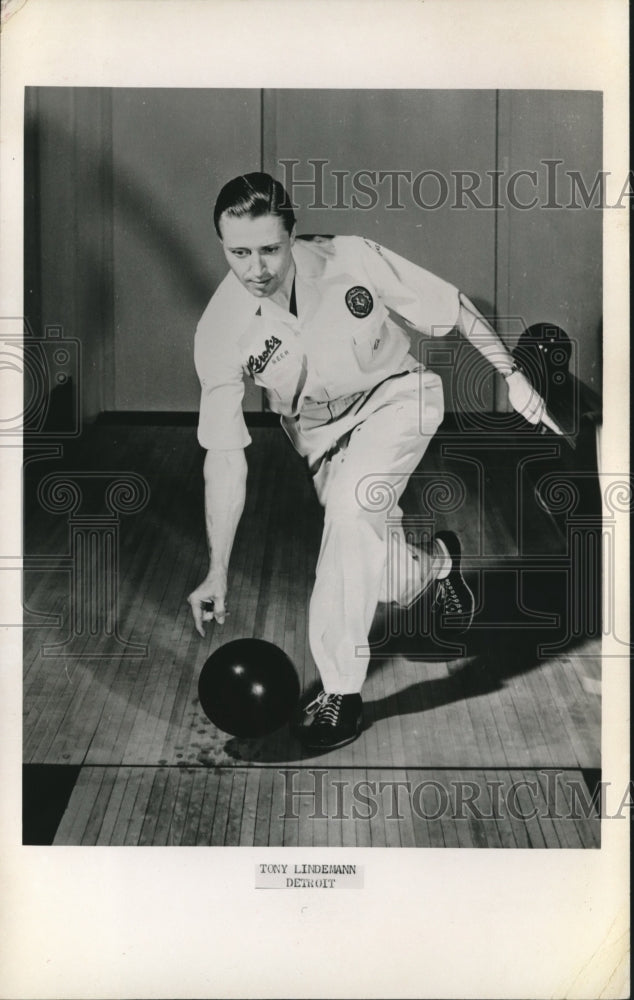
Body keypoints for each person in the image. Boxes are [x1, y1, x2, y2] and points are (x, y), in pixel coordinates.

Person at [188, 172, 560, 751]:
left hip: (398, 398)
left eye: (269, 249)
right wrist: (217, 568)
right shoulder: (220, 330)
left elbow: (451, 306)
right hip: (318, 437)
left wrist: (509, 374)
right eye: (239, 253)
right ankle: (434, 567)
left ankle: (341, 695)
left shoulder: (352, 259)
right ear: (222, 246)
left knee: (351, 512)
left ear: (293, 234)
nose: (256, 268)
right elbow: (225, 456)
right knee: (379, 569)